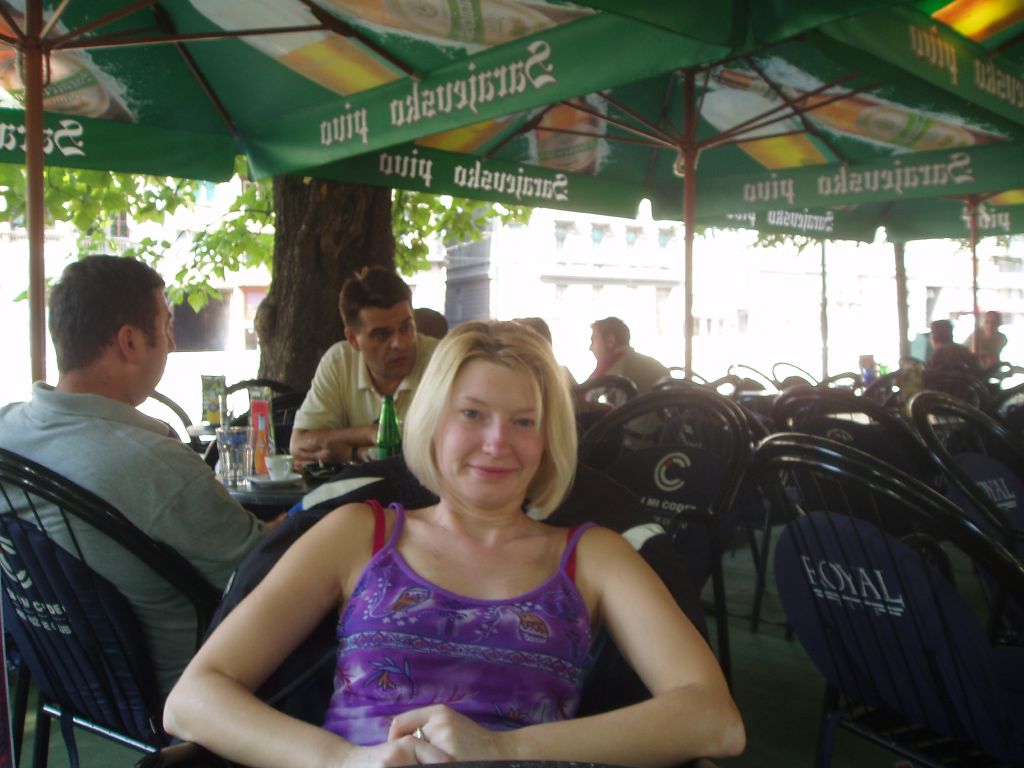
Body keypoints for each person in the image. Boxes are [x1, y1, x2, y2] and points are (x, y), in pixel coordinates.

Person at [164, 321, 744, 768]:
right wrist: (345, 761)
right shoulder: (357, 535)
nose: (497, 443)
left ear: (549, 438)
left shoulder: (594, 557)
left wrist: (503, 749)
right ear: (434, 421)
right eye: (473, 414)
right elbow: (193, 698)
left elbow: (715, 719)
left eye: (524, 422)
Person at [0, 255, 272, 698]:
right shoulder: (158, 465)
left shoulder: (6, 434)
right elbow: (269, 572)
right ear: (129, 341)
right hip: (191, 697)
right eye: (167, 326)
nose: (172, 344)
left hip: (64, 679)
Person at [290, 268, 439, 465]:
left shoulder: (440, 360)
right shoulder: (340, 361)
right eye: (382, 335)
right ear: (353, 339)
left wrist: (349, 451)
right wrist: (368, 434)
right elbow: (299, 444)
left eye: (406, 328)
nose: (400, 343)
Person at [586, 316, 668, 395]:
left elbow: (584, 396)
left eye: (593, 340)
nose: (590, 348)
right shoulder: (653, 365)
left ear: (610, 341)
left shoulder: (611, 376)